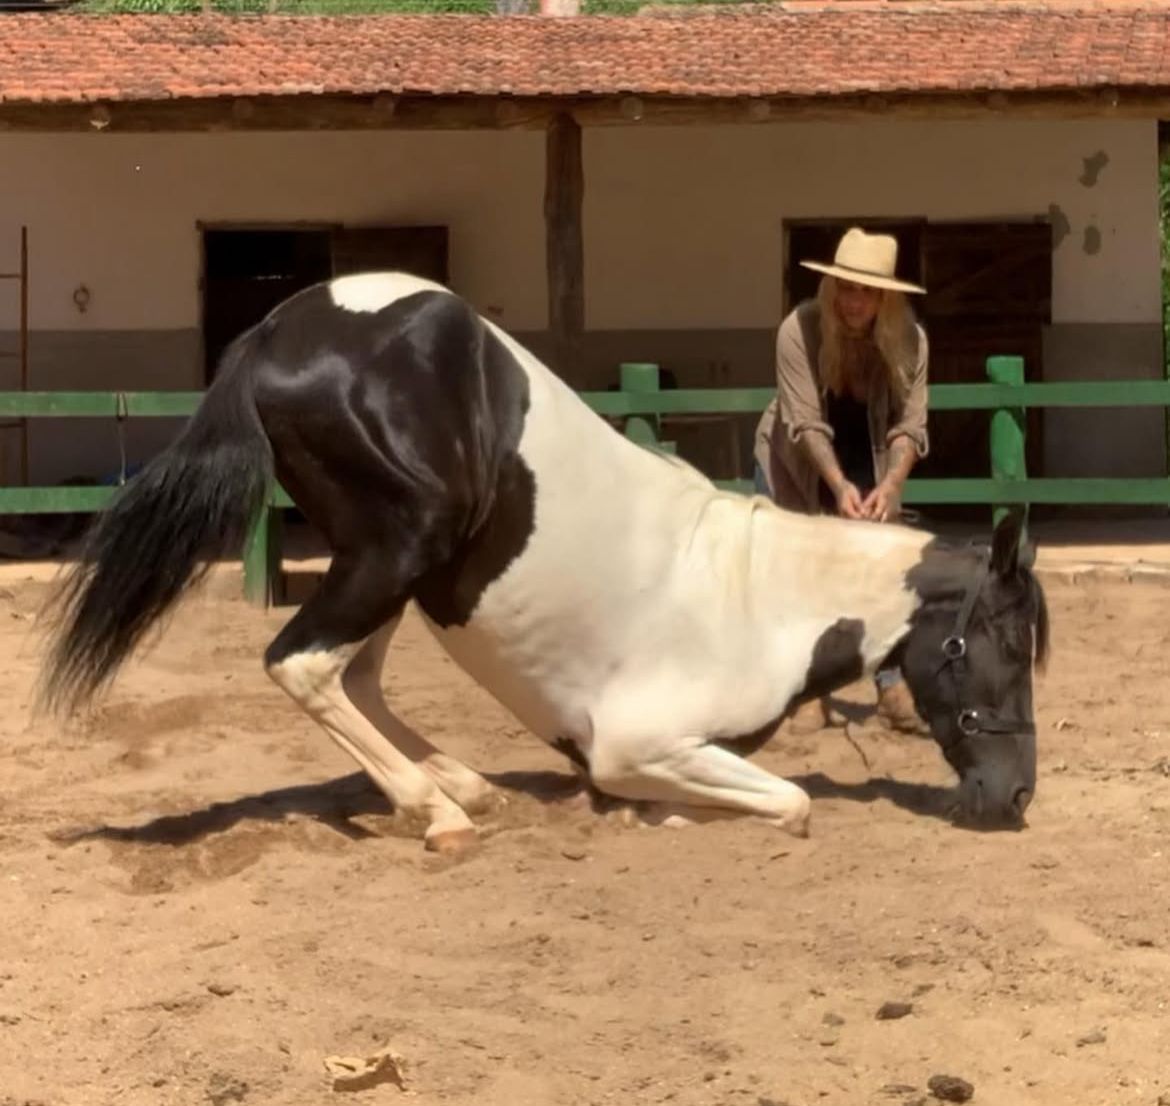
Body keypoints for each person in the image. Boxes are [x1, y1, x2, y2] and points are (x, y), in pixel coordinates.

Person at [753, 226, 930, 735]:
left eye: (868, 291)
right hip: (794, 459)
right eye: (847, 288)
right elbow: (803, 420)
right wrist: (836, 484)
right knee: (797, 575)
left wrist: (893, 484)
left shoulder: (912, 341)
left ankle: (892, 687)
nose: (855, 301)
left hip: (872, 460)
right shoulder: (798, 330)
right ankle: (807, 691)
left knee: (881, 574)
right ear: (832, 289)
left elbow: (910, 426)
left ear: (887, 298)